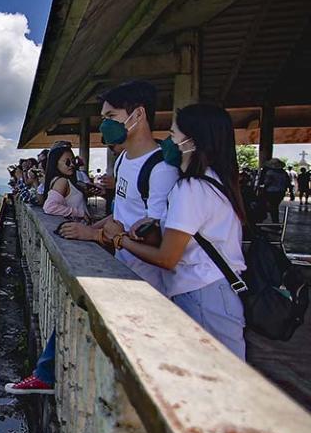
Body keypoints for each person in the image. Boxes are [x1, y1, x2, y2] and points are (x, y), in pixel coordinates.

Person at [5, 80, 179, 395]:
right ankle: (46, 373)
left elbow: (158, 240)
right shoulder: (125, 161)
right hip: (123, 266)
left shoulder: (160, 169)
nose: (105, 124)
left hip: (145, 282)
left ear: (137, 115)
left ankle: (48, 375)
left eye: (111, 115)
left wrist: (94, 234)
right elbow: (123, 217)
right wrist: (100, 228)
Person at [102, 103, 247, 359]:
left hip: (203, 293)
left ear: (191, 141)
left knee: (216, 379)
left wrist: (118, 239)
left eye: (172, 135)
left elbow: (167, 258)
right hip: (215, 291)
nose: (168, 142)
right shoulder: (214, 180)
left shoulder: (191, 188)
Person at [42, 143, 90, 220]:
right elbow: (49, 207)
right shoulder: (62, 181)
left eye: (73, 161)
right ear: (56, 163)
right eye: (67, 162)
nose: (72, 165)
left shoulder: (59, 179)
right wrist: (80, 213)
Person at [258, 159, 290, 224]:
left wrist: (262, 189)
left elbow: (267, 182)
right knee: (275, 206)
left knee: (271, 206)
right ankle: (275, 221)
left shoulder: (270, 172)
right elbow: (287, 182)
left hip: (271, 192)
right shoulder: (284, 173)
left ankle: (275, 222)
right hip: (281, 192)